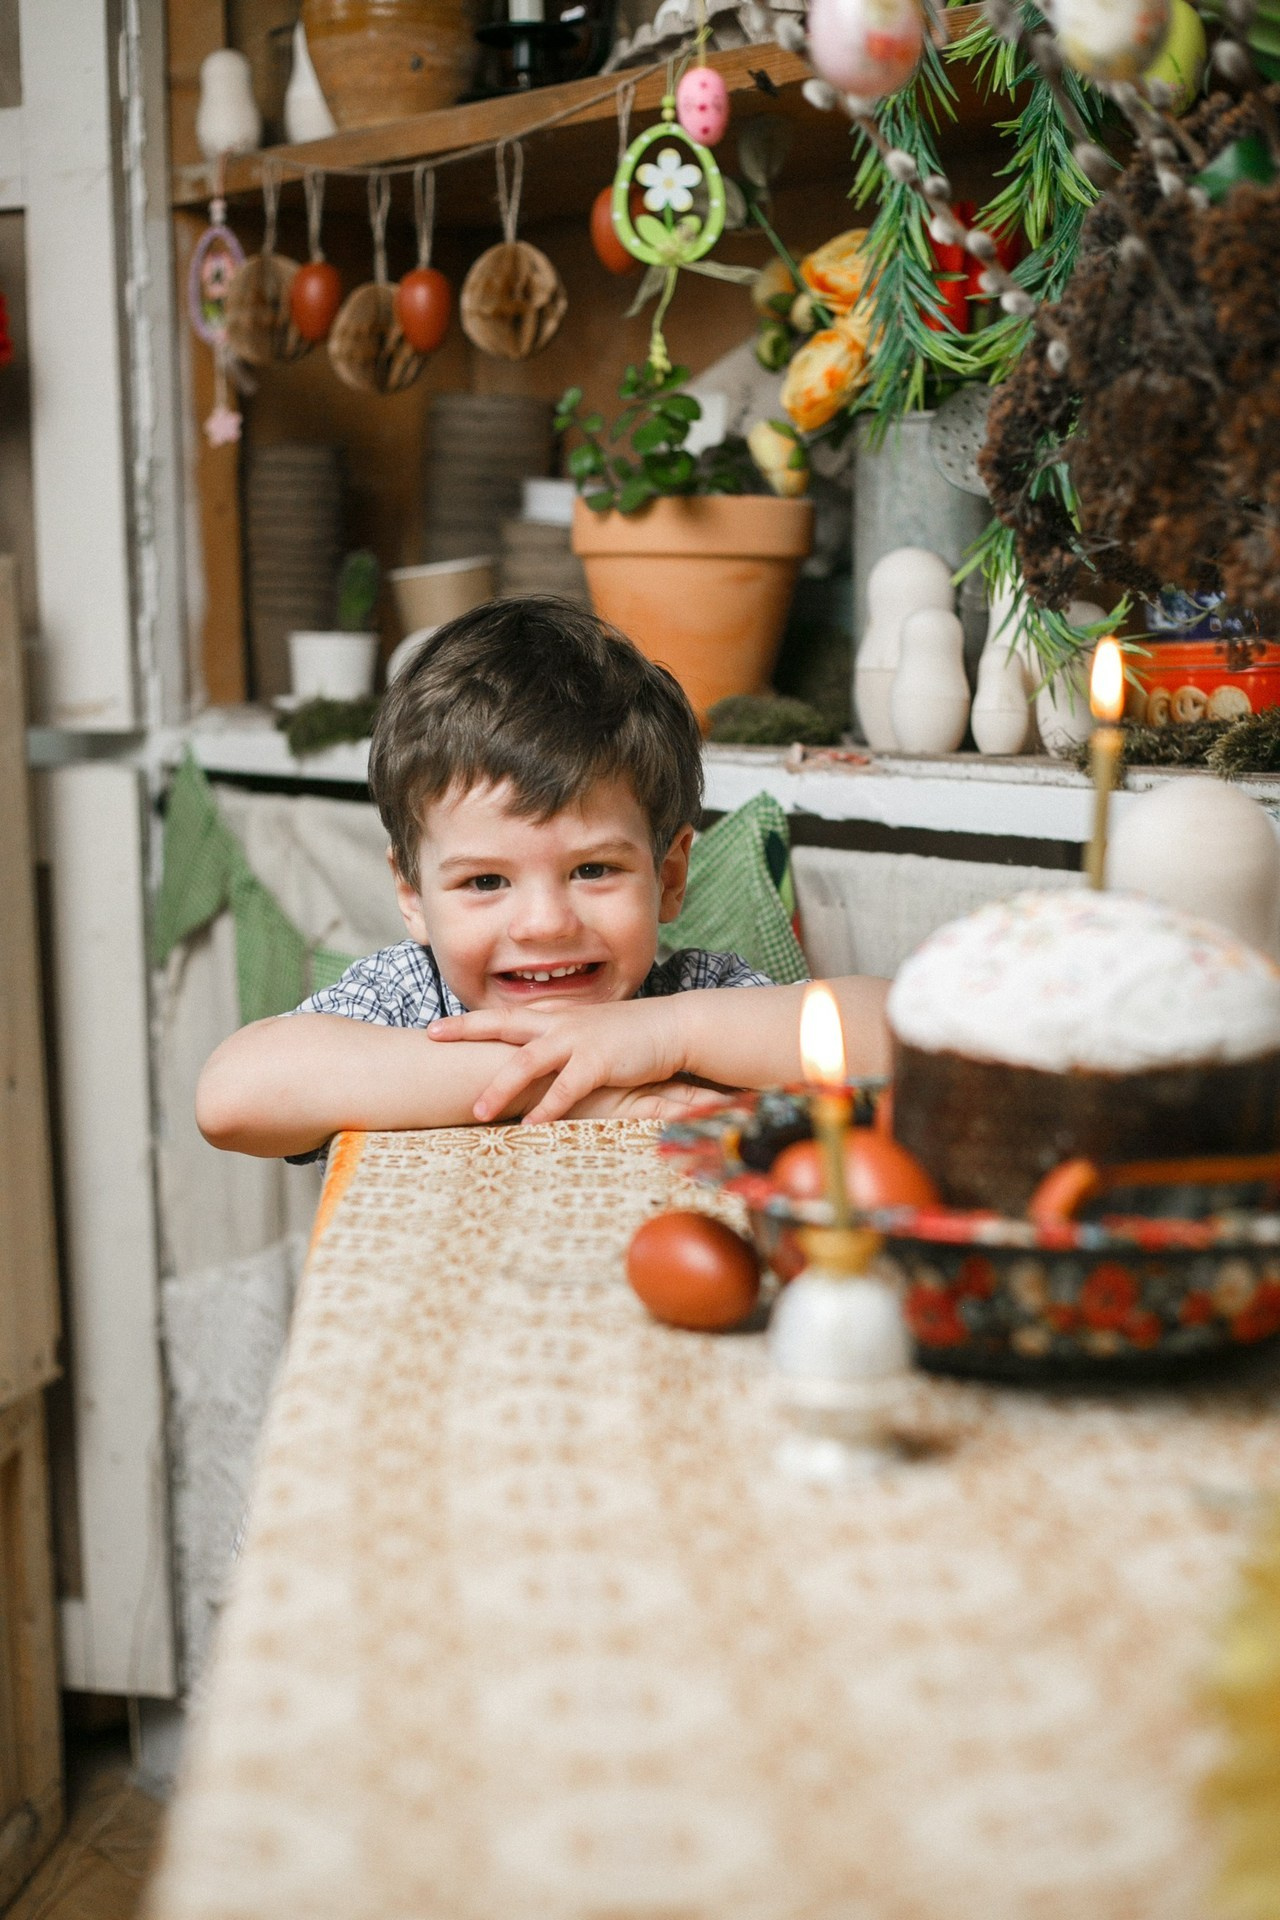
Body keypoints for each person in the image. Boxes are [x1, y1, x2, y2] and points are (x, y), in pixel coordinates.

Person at [196, 598, 890, 1162]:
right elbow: (232, 1097)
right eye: (486, 882)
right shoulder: (414, 1000)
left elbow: (903, 1037)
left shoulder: (689, 997)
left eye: (593, 870)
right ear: (413, 896)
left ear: (670, 876)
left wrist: (669, 1034)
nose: (546, 924)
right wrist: (555, 1085)